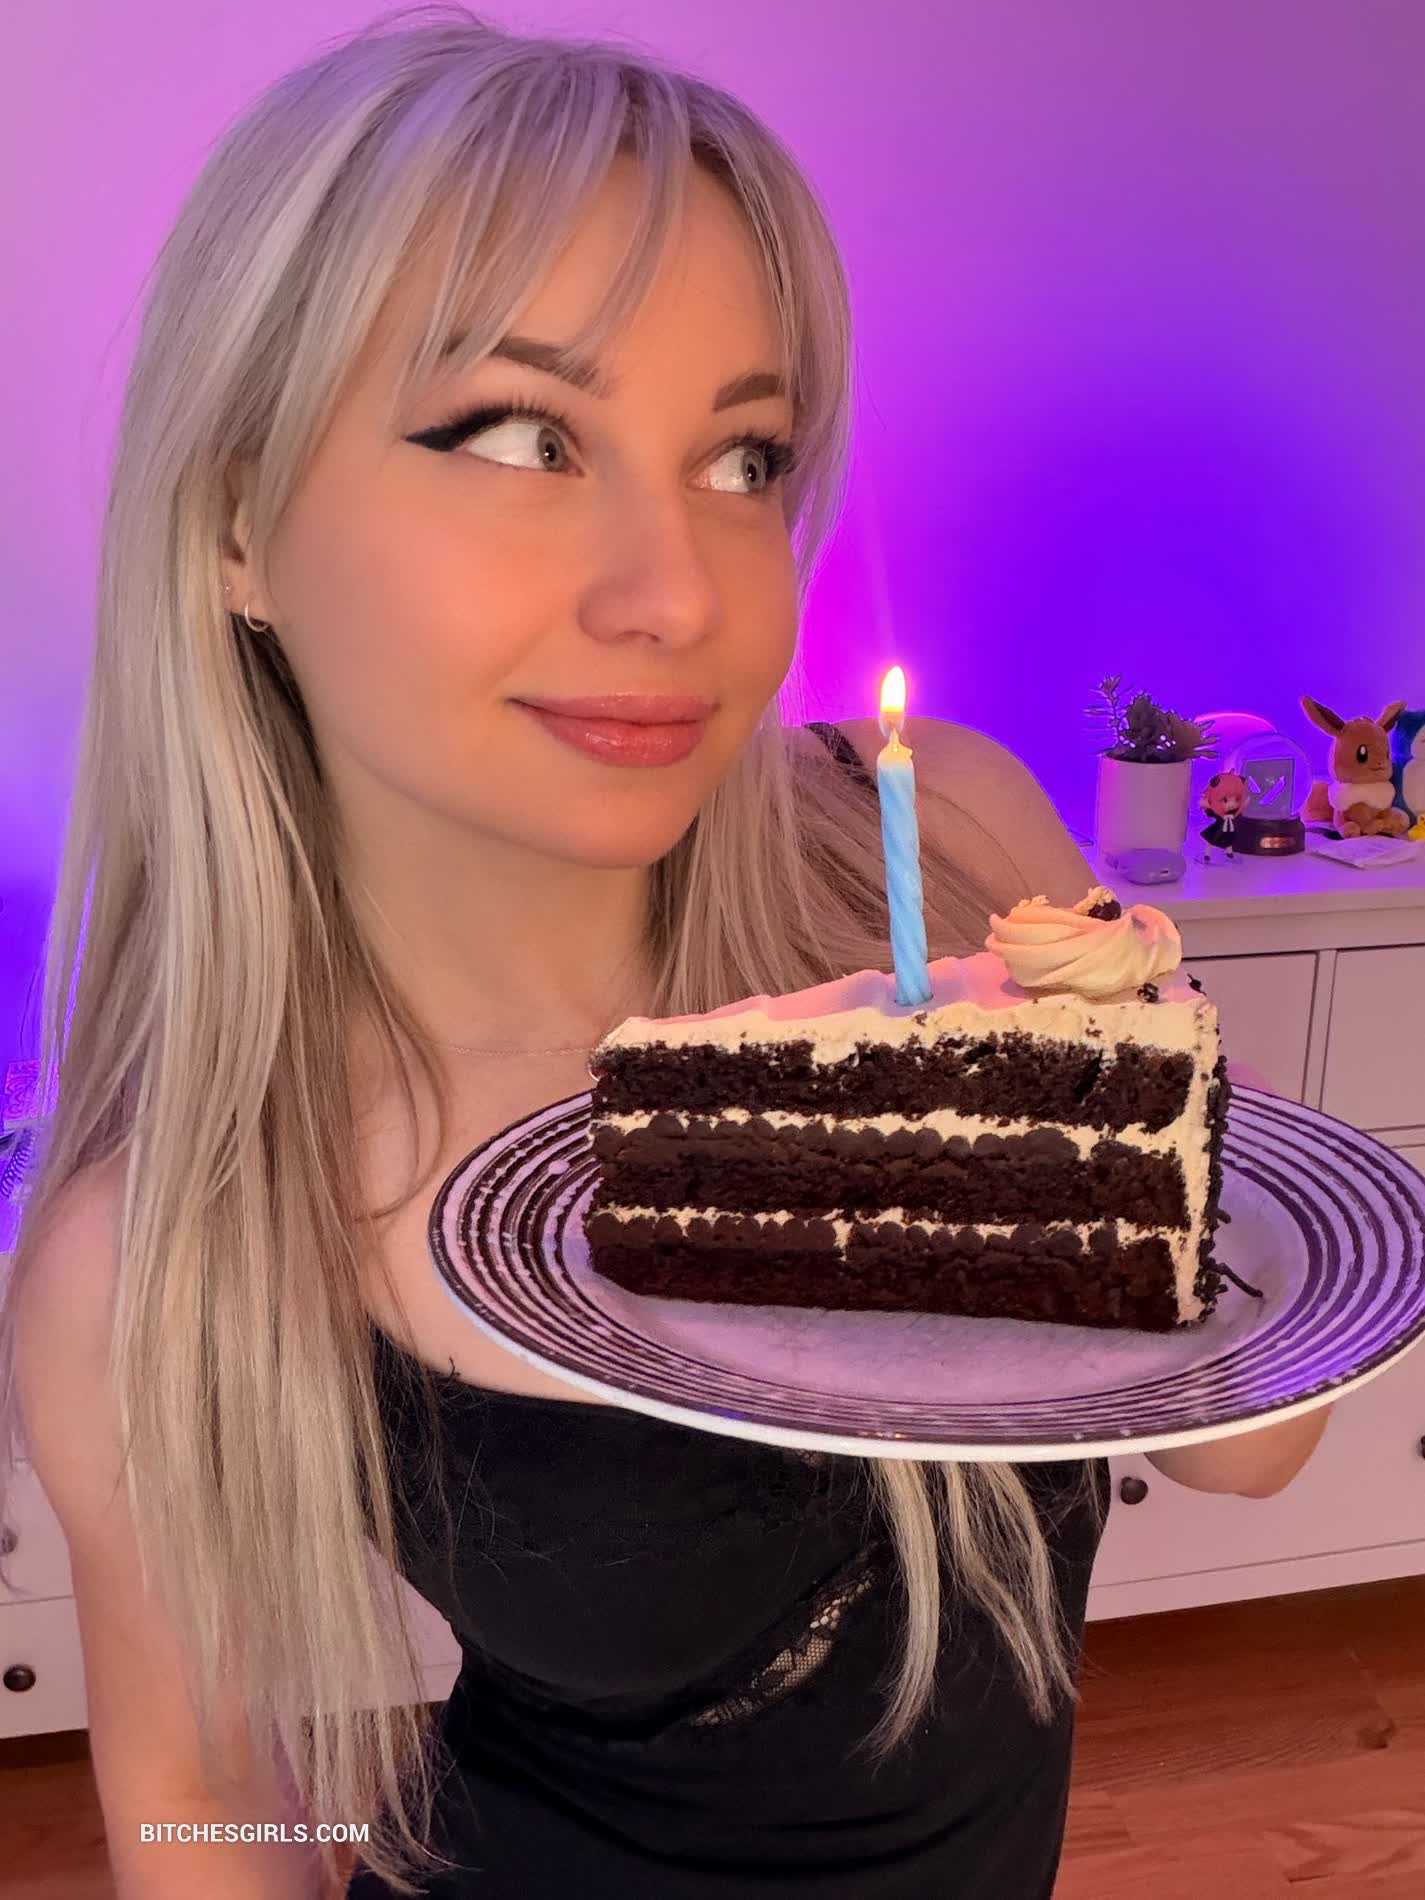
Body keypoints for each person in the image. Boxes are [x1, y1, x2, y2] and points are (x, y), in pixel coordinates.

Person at [0, 10, 1329, 1897]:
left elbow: (1242, 1456)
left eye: (740, 457)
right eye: (520, 436)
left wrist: (1148, 1114)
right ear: (235, 522)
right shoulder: (167, 1240)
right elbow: (204, 1785)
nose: (677, 594)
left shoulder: (946, 846)